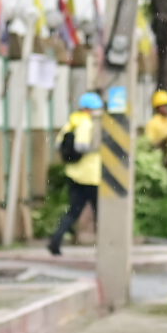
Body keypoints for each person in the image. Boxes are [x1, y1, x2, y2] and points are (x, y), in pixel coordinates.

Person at [48, 90, 104, 257]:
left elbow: (58, 145)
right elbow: (81, 146)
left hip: (73, 173)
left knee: (74, 211)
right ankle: (105, 247)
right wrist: (97, 149)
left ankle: (55, 240)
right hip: (91, 176)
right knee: (100, 213)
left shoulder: (71, 121)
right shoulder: (87, 123)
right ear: (89, 109)